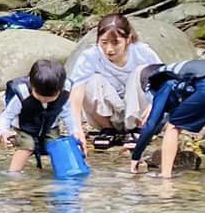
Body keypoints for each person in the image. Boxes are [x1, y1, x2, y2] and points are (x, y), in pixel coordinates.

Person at [132, 59, 205, 178]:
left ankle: (165, 175)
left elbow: (152, 124)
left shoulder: (165, 82)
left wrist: (136, 156)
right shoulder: (181, 73)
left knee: (173, 126)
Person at [69, 13, 162, 147]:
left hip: (140, 114)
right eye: (104, 43)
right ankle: (108, 130)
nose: (109, 49)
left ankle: (136, 130)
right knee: (90, 81)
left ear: (128, 40)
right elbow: (76, 93)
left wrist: (154, 104)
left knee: (141, 72)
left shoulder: (143, 53)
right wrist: (76, 129)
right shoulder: (90, 57)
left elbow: (165, 81)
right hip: (110, 115)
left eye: (115, 42)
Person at [0, 57, 85, 173]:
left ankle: (65, 171)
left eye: (50, 98)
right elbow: (6, 116)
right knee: (27, 145)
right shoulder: (22, 94)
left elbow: (67, 114)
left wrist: (75, 131)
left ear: (60, 89)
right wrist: (3, 131)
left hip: (50, 127)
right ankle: (13, 173)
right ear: (32, 86)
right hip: (24, 128)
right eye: (39, 96)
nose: (44, 100)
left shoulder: (65, 92)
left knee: (58, 146)